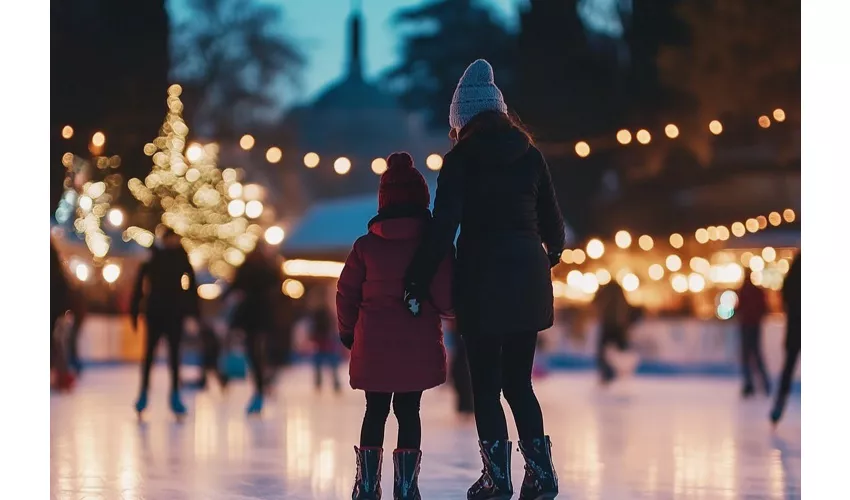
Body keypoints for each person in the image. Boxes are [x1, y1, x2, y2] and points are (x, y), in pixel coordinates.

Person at [404, 59, 565, 500]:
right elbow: (554, 227)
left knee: (487, 388)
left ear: (462, 120)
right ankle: (542, 475)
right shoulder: (530, 154)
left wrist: (417, 279)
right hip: (528, 279)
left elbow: (443, 228)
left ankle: (498, 478)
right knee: (520, 384)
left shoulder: (461, 160)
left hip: (481, 283)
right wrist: (544, 260)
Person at [337, 152, 454, 500]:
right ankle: (406, 487)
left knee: (375, 411)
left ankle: (368, 487)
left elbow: (345, 294)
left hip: (373, 343)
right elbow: (447, 299)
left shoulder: (365, 247)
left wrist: (348, 332)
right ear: (422, 199)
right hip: (416, 344)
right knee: (408, 411)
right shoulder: (434, 247)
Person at [130, 228, 199, 417]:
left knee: (174, 357)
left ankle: (175, 395)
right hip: (155, 313)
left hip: (174, 314)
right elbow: (139, 286)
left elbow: (192, 286)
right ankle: (143, 393)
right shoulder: (153, 258)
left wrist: (192, 312)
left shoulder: (181, 258)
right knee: (149, 355)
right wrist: (135, 312)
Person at [221, 242, 283, 414]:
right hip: (263, 316)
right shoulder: (268, 268)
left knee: (255, 353)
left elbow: (234, 285)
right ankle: (263, 384)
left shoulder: (249, 268)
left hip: (252, 316)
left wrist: (225, 297)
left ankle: (260, 387)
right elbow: (278, 287)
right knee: (261, 352)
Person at [771, 254, 800, 425]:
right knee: (788, 369)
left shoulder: (791, 278)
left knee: (788, 370)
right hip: (796, 329)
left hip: (794, 330)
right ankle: (778, 405)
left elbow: (784, 297)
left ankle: (779, 405)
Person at [736, 271, 772, 398]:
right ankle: (764, 385)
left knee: (748, 357)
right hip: (754, 326)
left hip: (747, 326)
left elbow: (739, 308)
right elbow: (765, 308)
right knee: (756, 355)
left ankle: (750, 385)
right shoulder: (756, 291)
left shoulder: (744, 291)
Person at [594, 282, 632, 385]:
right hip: (617, 325)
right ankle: (618, 374)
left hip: (610, 324)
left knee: (605, 351)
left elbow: (596, 303)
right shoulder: (619, 293)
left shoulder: (605, 292)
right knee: (621, 351)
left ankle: (610, 374)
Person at [50, 241, 75, 391]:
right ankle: (62, 377)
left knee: (56, 345)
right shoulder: (59, 272)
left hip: (55, 313)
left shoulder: (55, 273)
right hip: (57, 313)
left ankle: (63, 377)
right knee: (57, 345)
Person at [307, 286, 341, 392]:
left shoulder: (322, 312)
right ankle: (327, 383)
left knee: (328, 363)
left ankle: (332, 383)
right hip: (323, 340)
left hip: (325, 340)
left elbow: (327, 325)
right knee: (323, 363)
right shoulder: (320, 312)